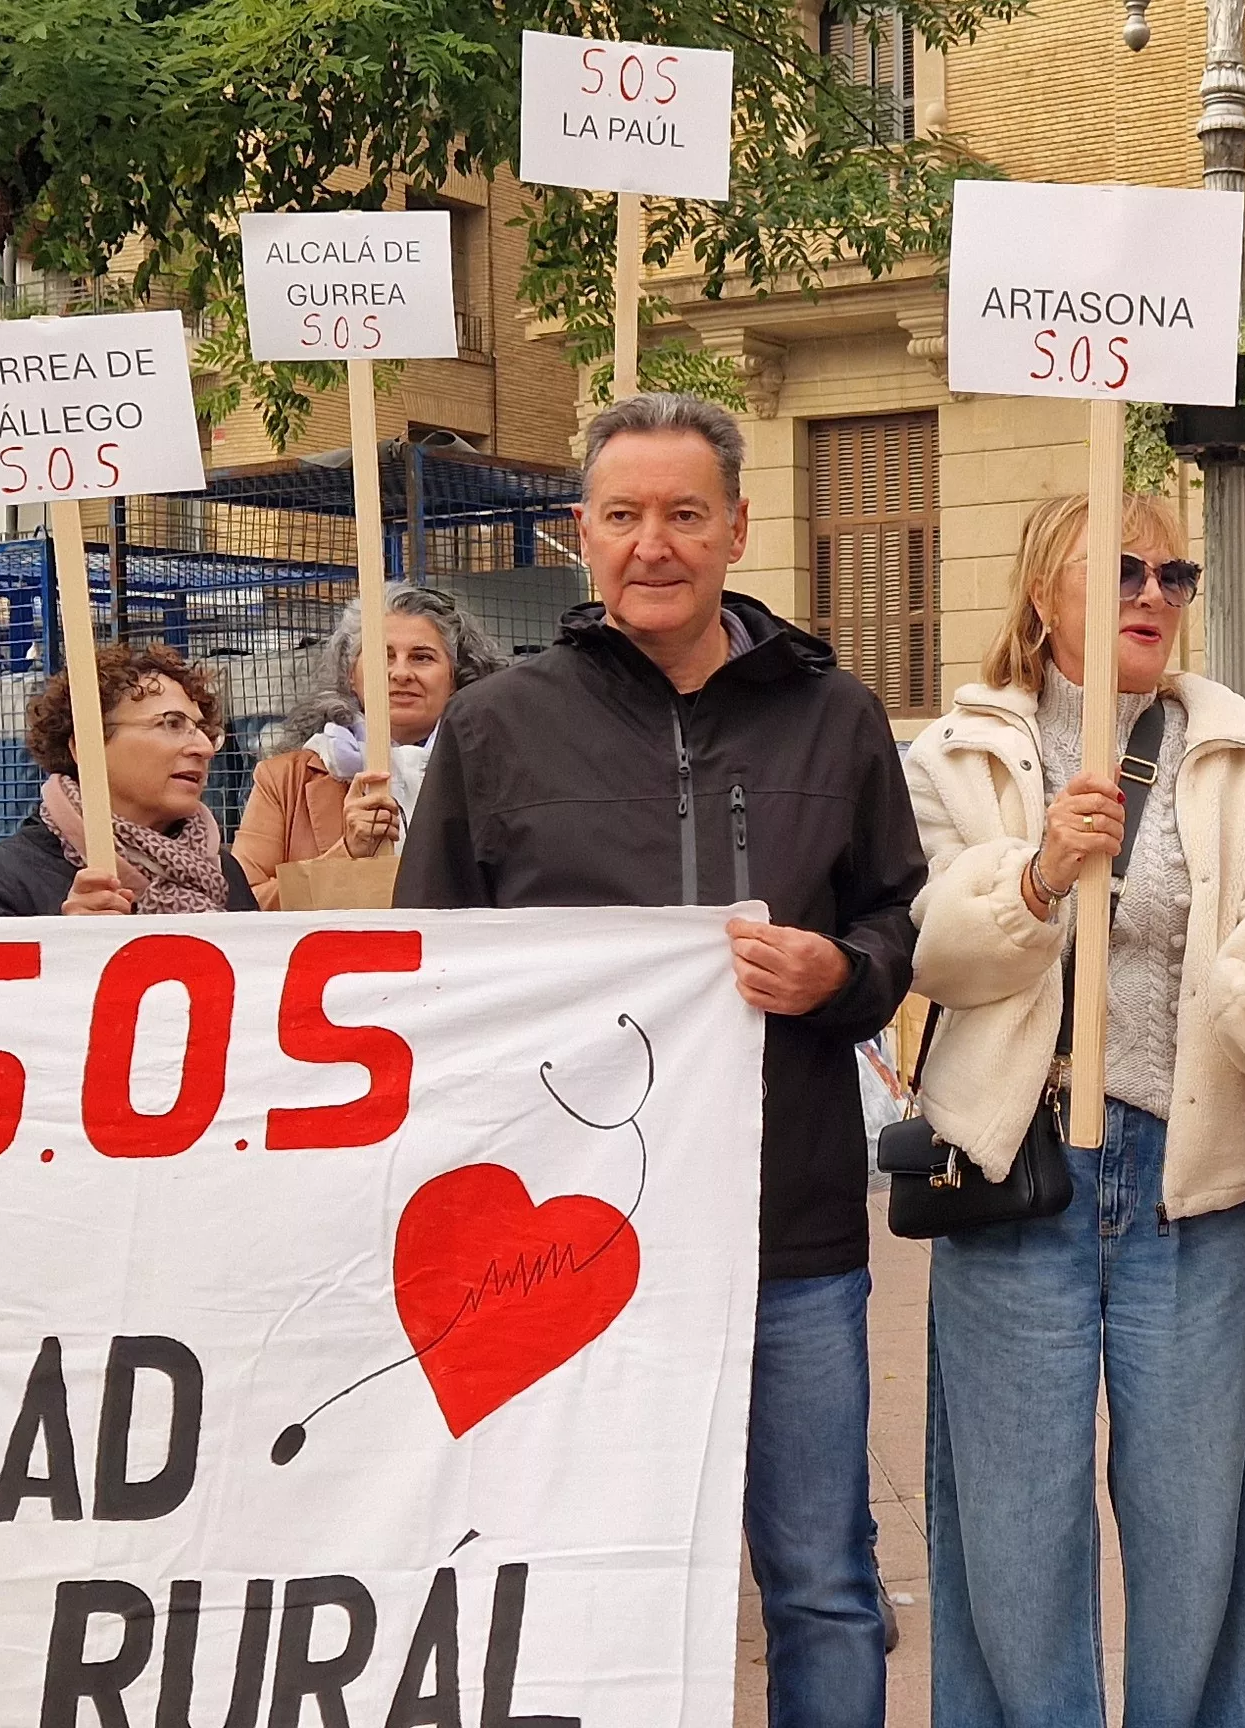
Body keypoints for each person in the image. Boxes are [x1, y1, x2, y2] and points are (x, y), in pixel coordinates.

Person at [397, 392, 924, 1728]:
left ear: (737, 530)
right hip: (569, 1248)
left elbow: (894, 920)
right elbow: (428, 969)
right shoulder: (495, 728)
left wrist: (842, 974)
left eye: (685, 514)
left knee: (820, 1580)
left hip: (789, 1236)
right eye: (624, 515)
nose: (654, 544)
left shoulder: (836, 717)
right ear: (581, 533)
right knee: (583, 1574)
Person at [903, 492, 1245, 1727]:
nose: (1152, 594)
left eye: (1173, 574)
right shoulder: (958, 754)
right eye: (1122, 570)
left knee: (1197, 1527)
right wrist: (1036, 876)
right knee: (1012, 1521)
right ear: (1046, 593)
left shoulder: (1236, 751)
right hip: (1015, 1170)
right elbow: (935, 956)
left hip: (1186, 1174)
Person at [0, 644, 257, 916]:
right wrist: (69, 943)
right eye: (172, 724)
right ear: (86, 746)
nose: (203, 748)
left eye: (204, 730)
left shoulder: (223, 872)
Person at [235, 584, 505, 905]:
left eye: (421, 657)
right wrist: (346, 856)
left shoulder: (499, 774)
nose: (401, 673)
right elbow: (244, 903)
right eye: (382, 656)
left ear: (456, 677)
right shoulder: (284, 780)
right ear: (351, 674)